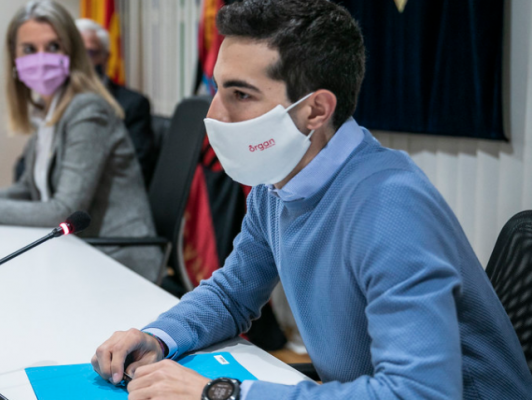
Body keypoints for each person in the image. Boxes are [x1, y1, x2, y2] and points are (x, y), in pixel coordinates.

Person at [91, 1, 532, 399]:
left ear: (316, 110)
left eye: (240, 95)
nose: (214, 115)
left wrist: (223, 394)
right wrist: (158, 337)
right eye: (217, 89)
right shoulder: (276, 184)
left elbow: (419, 394)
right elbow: (231, 294)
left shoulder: (391, 205)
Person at [0, 0, 162, 283]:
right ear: (14, 60)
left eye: (52, 47)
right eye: (28, 49)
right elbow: (30, 188)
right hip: (78, 255)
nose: (40, 58)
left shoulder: (87, 110)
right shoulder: (50, 110)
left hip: (118, 263)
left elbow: (64, 210)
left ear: (72, 53)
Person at [76, 18, 157, 186]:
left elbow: (136, 169)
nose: (83, 62)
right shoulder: (57, 101)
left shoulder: (133, 104)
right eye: (77, 54)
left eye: (90, 53)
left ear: (106, 57)